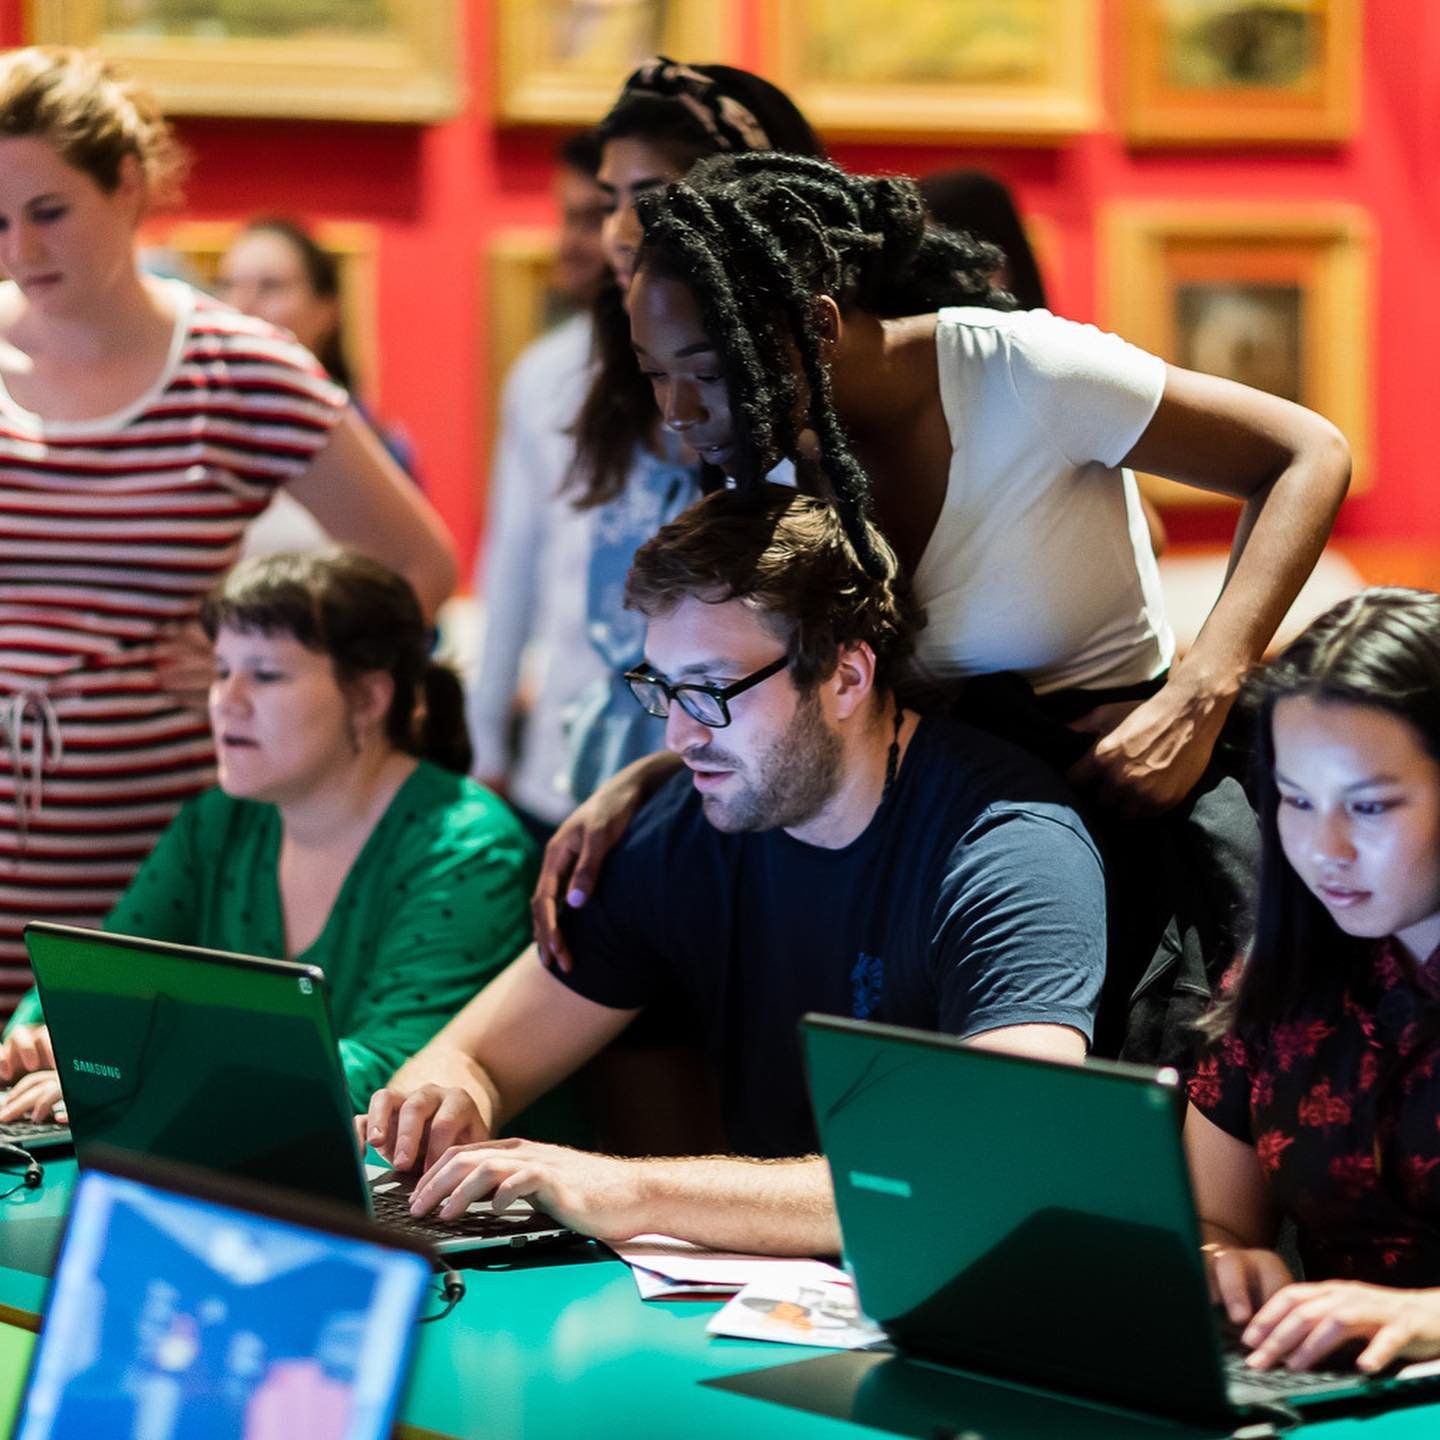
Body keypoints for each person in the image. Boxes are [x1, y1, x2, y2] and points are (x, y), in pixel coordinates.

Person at [536, 151, 1352, 1066]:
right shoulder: (759, 452)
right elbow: (783, 684)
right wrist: (637, 784)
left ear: (815, 323)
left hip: (1129, 815)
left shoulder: (1024, 370)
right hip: (930, 852)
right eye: (655, 374)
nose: (680, 409)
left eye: (708, 366)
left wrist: (1202, 690)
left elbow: (1306, 452)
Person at [361, 490, 1105, 1255]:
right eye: (662, 689)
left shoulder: (1011, 851)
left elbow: (997, 1166)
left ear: (847, 677)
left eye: (711, 691)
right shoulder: (692, 822)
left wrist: (630, 1189)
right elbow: (475, 1053)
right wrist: (442, 1099)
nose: (679, 735)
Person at [0, 47, 456, 1011]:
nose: (21, 253)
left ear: (125, 186)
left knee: (105, 1108)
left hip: (148, 851)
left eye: (48, 213)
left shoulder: (235, 368)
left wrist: (249, 668)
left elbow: (418, 561)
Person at [0, 548, 535, 1119]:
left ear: (371, 697)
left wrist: (151, 1071)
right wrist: (44, 1033)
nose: (226, 702)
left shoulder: (467, 849)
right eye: (222, 670)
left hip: (443, 1196)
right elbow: (101, 979)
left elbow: (396, 1070)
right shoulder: (218, 820)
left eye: (266, 675)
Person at [1187, 588, 1440, 1376]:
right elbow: (1215, 1218)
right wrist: (1224, 1261)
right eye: (1297, 800)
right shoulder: (1289, 964)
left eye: (1368, 806)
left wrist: (1424, 1315)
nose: (1323, 847)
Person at [559, 58, 825, 806]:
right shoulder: (608, 382)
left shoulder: (806, 414)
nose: (617, 233)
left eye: (647, 198)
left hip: (753, 764)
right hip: (627, 747)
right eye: (607, 200)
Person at [467, 131, 611, 841]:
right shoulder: (544, 374)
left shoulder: (727, 376)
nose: (574, 242)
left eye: (595, 217)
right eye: (569, 217)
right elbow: (513, 563)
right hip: (557, 760)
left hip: (694, 763)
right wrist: (487, 742)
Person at [216, 215, 417, 476]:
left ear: (325, 310)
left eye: (270, 286)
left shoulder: (374, 446)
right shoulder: (199, 430)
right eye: (227, 285)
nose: (241, 305)